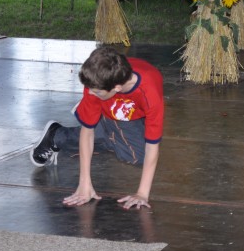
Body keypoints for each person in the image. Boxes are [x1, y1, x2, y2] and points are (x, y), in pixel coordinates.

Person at [30, 46, 163, 210]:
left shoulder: (149, 93)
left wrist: (142, 193)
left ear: (117, 88)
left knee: (137, 154)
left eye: (95, 92)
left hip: (133, 108)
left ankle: (63, 132)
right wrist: (85, 183)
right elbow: (88, 131)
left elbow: (153, 143)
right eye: (90, 90)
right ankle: (60, 134)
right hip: (114, 104)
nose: (90, 94)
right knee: (135, 153)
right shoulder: (97, 80)